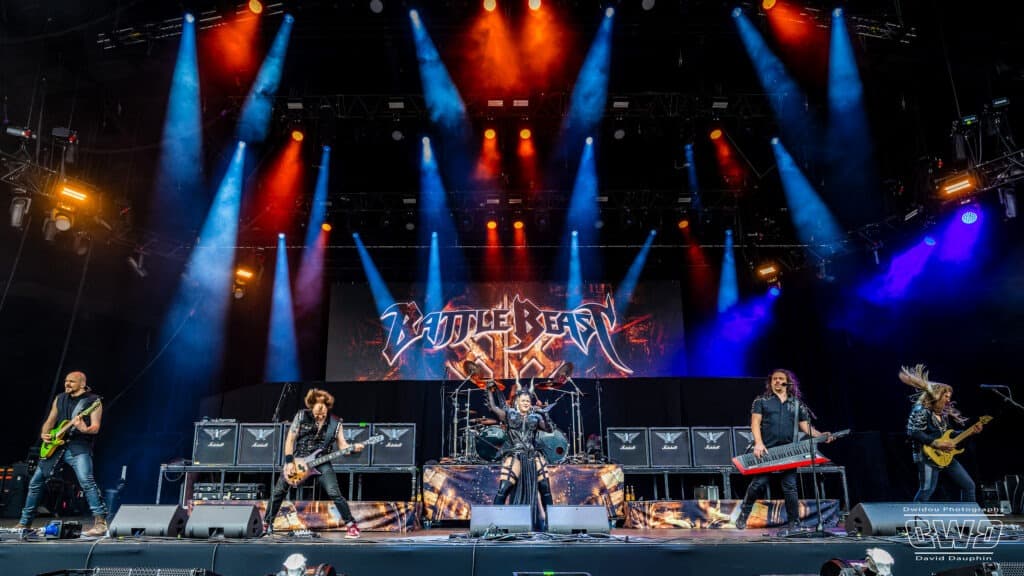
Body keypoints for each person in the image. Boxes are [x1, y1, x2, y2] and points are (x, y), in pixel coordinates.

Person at [735, 369, 831, 530]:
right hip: (767, 451)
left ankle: (794, 522)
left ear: (788, 382)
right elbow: (755, 423)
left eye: (780, 379)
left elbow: (805, 427)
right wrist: (758, 443)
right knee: (758, 484)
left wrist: (821, 436)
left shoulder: (796, 404)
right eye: (774, 379)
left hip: (788, 452)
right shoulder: (761, 401)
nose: (777, 381)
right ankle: (744, 513)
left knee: (790, 486)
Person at [16, 371, 108, 536]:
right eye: (66, 381)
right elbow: (50, 420)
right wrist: (44, 434)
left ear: (82, 384)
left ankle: (100, 523)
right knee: (36, 482)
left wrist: (83, 428)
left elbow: (95, 428)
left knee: (86, 481)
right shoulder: (60, 398)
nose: (67, 384)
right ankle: (24, 522)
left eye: (71, 381)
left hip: (78, 446)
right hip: (55, 446)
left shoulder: (93, 401)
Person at [265, 388, 364, 538]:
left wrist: (353, 448)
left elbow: (343, 446)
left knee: (334, 492)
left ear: (327, 407)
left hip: (322, 461)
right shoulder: (301, 416)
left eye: (322, 413)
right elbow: (290, 440)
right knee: (279, 491)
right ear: (311, 407)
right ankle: (266, 523)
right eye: (316, 413)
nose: (319, 416)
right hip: (298, 459)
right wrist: (289, 461)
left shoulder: (336, 423)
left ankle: (351, 525)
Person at [900, 364, 983, 502]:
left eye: (950, 396)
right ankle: (915, 516)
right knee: (926, 490)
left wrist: (970, 432)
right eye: (946, 396)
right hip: (926, 455)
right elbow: (913, 431)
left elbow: (949, 435)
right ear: (937, 395)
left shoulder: (942, 414)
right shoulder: (921, 410)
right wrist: (935, 443)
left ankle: (969, 516)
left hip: (945, 456)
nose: (948, 399)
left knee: (969, 486)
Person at [485, 380, 554, 526]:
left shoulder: (536, 417)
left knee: (545, 487)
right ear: (517, 401)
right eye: (523, 400)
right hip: (515, 454)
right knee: (504, 488)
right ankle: (494, 524)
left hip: (532, 455)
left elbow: (549, 429)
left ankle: (552, 522)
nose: (526, 403)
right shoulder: (509, 414)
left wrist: (545, 414)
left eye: (528, 401)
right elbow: (493, 407)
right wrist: (490, 391)